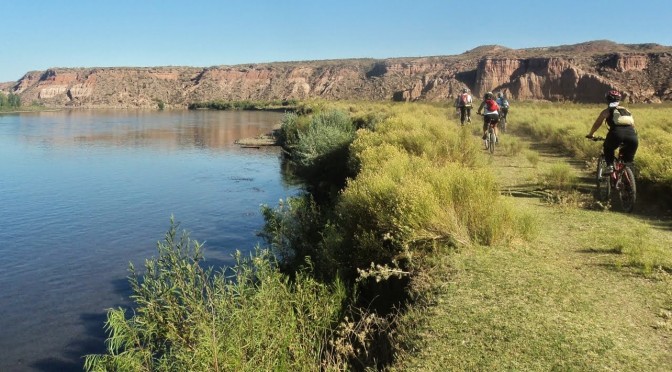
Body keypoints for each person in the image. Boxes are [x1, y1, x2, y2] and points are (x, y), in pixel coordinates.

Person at [585, 89, 638, 173]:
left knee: (608, 148)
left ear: (607, 100)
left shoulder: (607, 111)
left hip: (616, 134)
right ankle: (629, 178)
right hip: (632, 136)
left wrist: (591, 134)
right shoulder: (626, 110)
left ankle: (610, 166)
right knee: (628, 161)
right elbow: (632, 125)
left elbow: (597, 124)